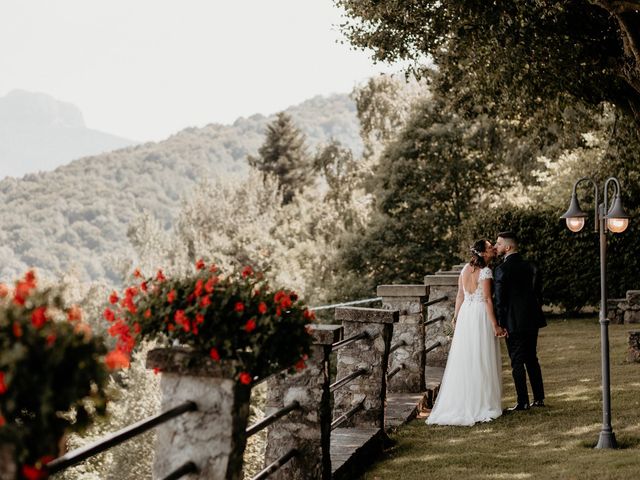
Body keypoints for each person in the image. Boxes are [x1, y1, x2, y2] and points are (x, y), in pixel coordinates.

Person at [426, 239, 506, 426]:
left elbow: (460, 296)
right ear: (483, 253)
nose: (493, 249)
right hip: (479, 314)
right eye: (489, 247)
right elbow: (487, 299)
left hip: (465, 315)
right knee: (481, 355)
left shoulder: (464, 270)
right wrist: (495, 324)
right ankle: (482, 403)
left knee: (466, 357)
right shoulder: (486, 272)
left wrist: (456, 317)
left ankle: (464, 400)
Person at [494, 231, 546, 411]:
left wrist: (500, 324)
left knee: (516, 360)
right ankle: (539, 398)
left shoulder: (501, 269)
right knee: (532, 357)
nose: (496, 246)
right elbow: (539, 293)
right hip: (532, 318)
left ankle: (522, 401)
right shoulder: (531, 266)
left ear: (508, 247)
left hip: (512, 321)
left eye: (499, 244)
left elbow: (500, 300)